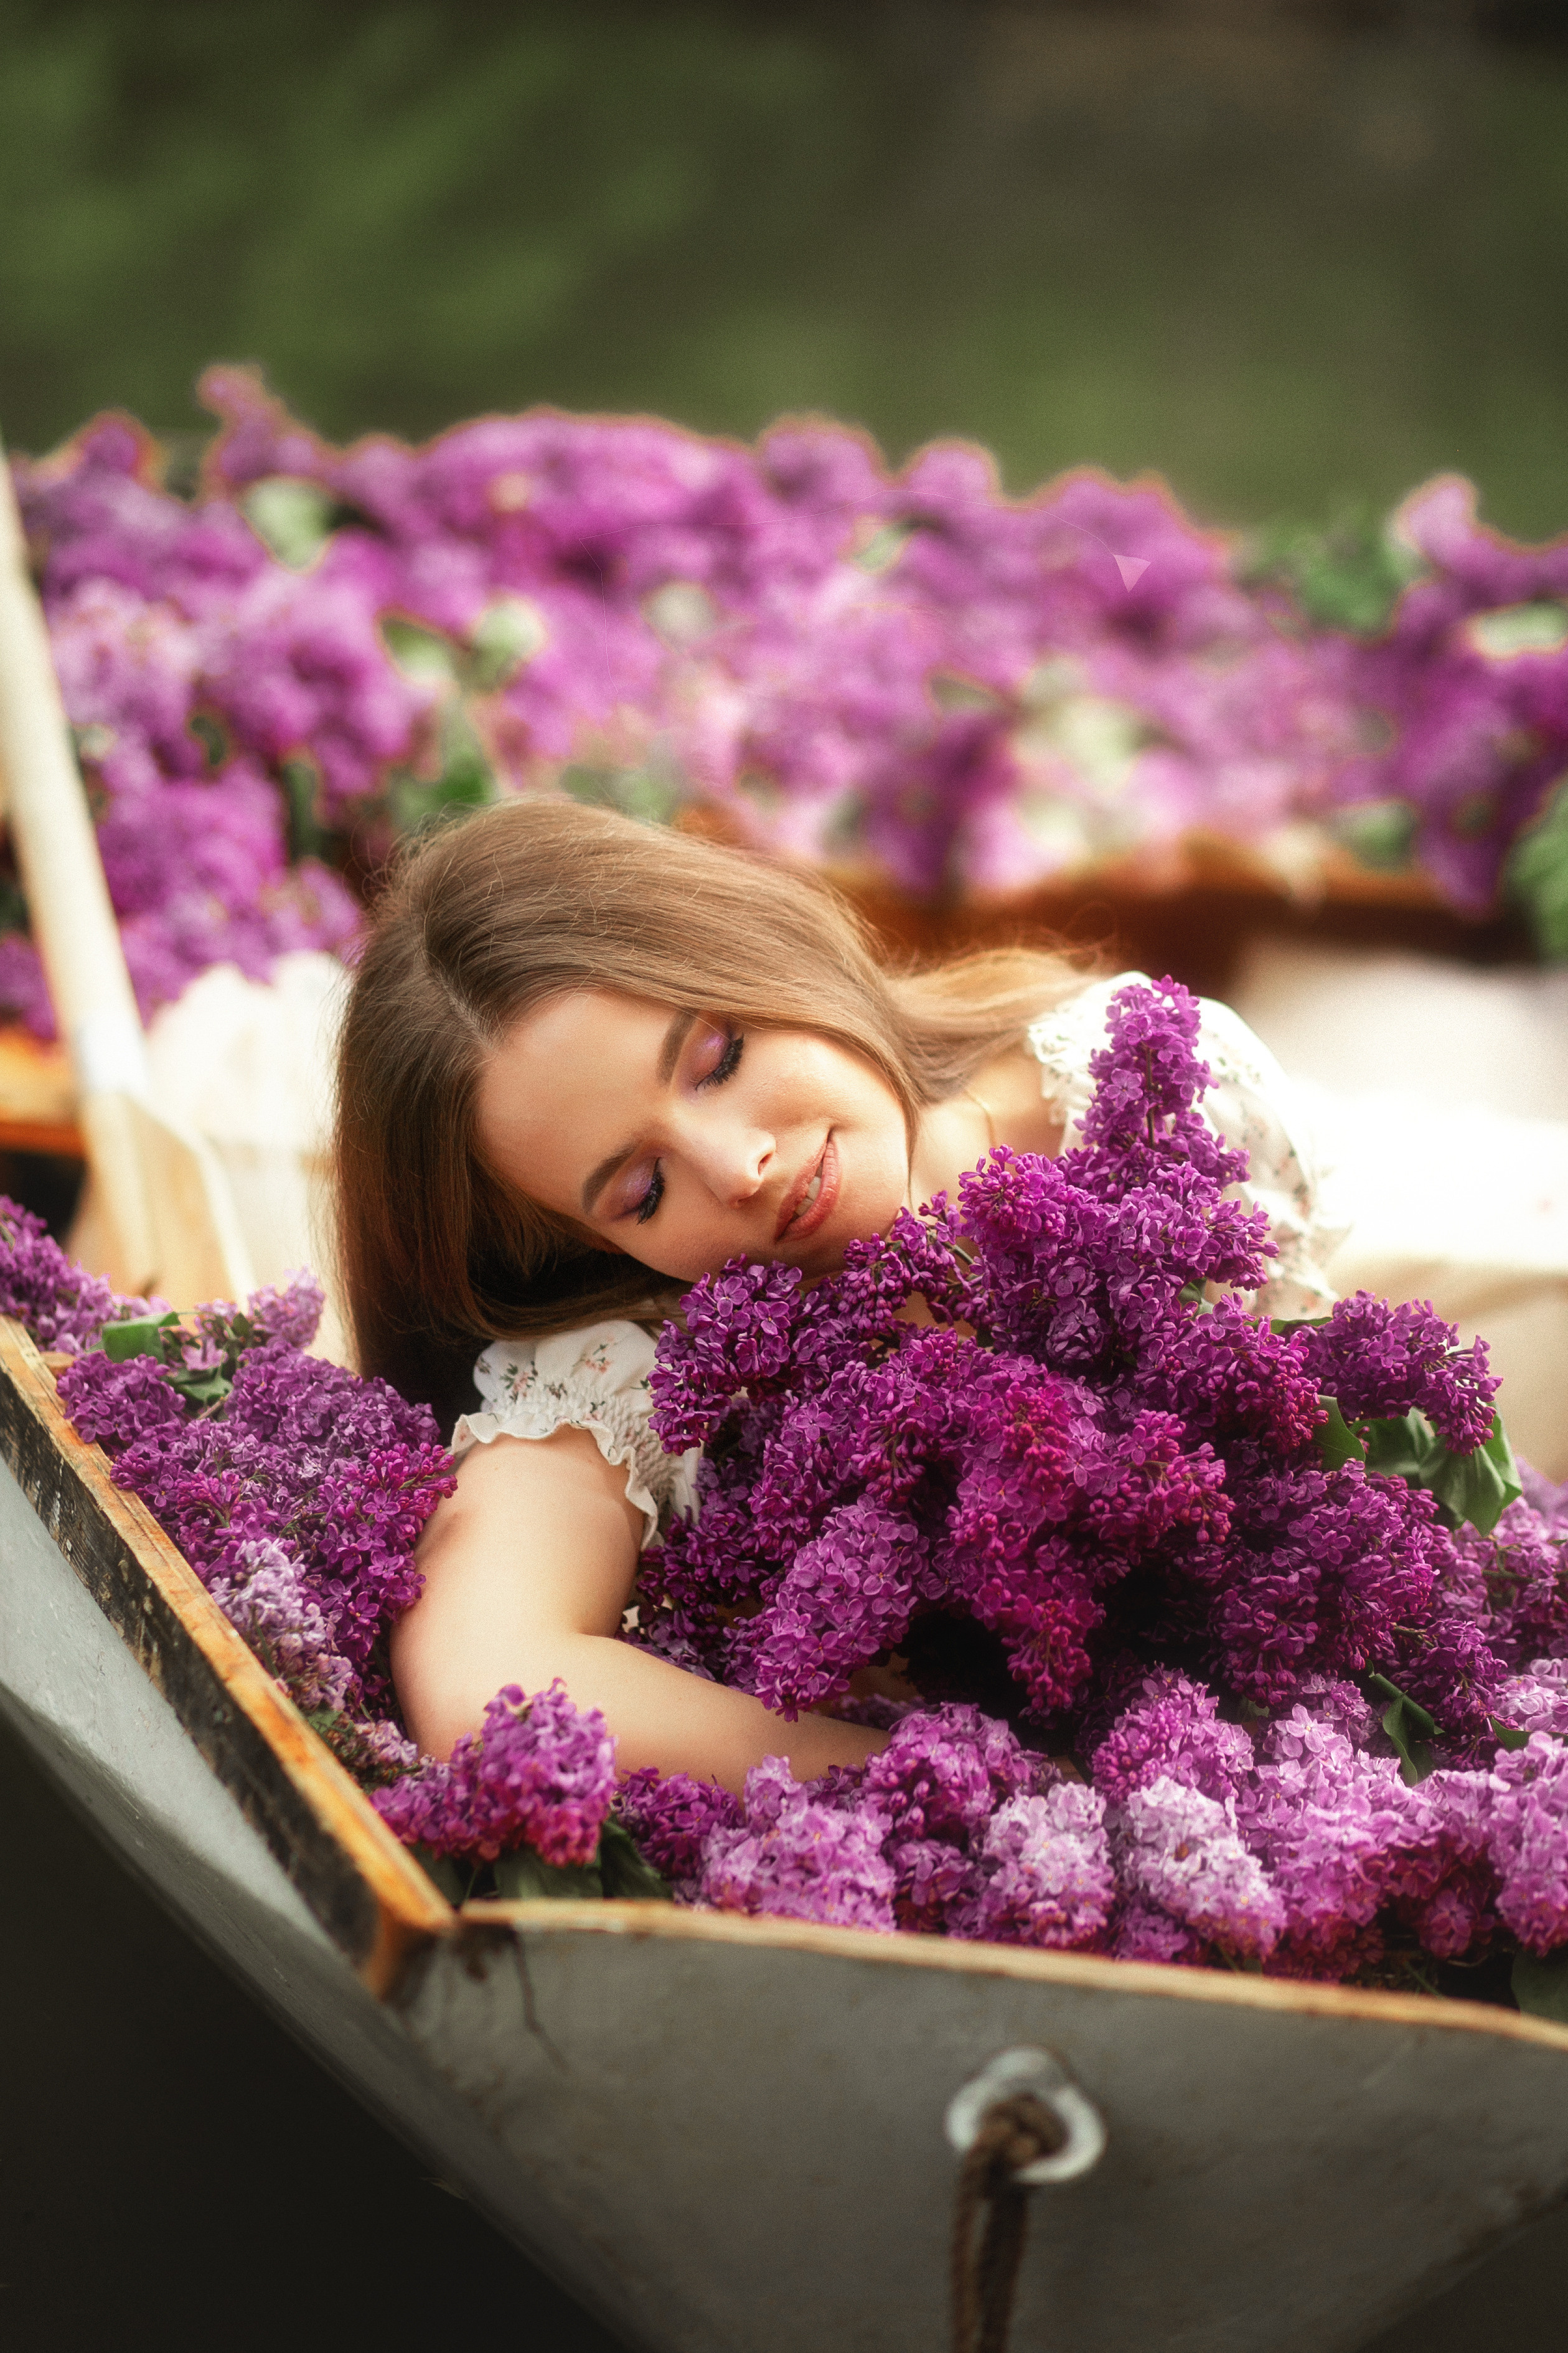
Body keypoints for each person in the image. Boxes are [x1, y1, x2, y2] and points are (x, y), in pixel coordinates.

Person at [335, 799, 1339, 1792]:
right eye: (642, 1192)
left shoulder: (1145, 1096)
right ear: (590, 1246)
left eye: (719, 1059)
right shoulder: (640, 1371)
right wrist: (979, 1786)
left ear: (767, 949)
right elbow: (482, 1685)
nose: (739, 1166)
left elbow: (1313, 1459)